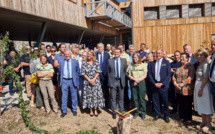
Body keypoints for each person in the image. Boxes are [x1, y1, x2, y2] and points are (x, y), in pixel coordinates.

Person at [148, 49, 171, 123]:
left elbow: (168, 74)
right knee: (156, 100)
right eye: (156, 53)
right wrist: (154, 83)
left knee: (165, 101)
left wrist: (162, 83)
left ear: (162, 54)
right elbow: (150, 74)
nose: (158, 55)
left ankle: (166, 115)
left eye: (159, 53)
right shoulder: (152, 63)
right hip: (154, 85)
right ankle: (158, 113)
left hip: (163, 86)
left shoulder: (166, 62)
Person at [193, 48, 214, 131]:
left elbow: (205, 78)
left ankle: (208, 123)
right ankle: (203, 121)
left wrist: (201, 89)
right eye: (198, 55)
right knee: (201, 104)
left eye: (201, 55)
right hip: (198, 85)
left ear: (205, 55)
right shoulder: (199, 64)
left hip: (204, 86)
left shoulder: (205, 64)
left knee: (206, 105)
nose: (199, 56)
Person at [172, 52, 195, 125]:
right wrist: (175, 84)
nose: (181, 58)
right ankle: (182, 117)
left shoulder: (190, 66)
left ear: (187, 58)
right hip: (178, 89)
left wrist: (181, 84)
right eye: (181, 57)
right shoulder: (178, 66)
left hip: (187, 89)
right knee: (180, 104)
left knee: (187, 105)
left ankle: (188, 119)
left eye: (183, 57)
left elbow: (190, 77)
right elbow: (174, 76)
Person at [81, 50, 105, 117]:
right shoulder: (84, 63)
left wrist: (93, 79)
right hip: (87, 82)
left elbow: (98, 71)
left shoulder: (96, 62)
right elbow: (83, 73)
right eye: (88, 54)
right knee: (89, 96)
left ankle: (95, 110)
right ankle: (91, 110)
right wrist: (89, 80)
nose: (88, 55)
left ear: (93, 56)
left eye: (90, 54)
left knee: (95, 96)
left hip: (95, 81)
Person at [59, 50, 80, 118]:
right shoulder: (61, 62)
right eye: (65, 54)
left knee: (74, 96)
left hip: (72, 80)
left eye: (68, 54)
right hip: (64, 80)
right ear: (64, 55)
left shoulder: (75, 61)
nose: (67, 55)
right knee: (64, 96)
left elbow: (78, 71)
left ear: (70, 54)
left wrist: (75, 78)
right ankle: (64, 111)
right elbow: (60, 72)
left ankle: (74, 110)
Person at [107, 48, 127, 119]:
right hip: (113, 81)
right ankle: (114, 111)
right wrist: (109, 82)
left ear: (120, 53)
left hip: (121, 81)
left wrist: (123, 79)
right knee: (113, 97)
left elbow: (124, 71)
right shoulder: (110, 61)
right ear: (113, 53)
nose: (116, 53)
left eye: (118, 52)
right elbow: (108, 72)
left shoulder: (124, 60)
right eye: (115, 52)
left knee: (121, 97)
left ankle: (121, 111)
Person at [128, 52, 147, 120]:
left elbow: (145, 75)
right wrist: (134, 80)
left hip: (141, 82)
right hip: (133, 82)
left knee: (142, 98)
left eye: (136, 57)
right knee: (135, 99)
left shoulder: (143, 65)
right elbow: (129, 75)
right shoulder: (131, 66)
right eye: (133, 57)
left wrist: (138, 80)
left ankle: (143, 113)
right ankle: (136, 112)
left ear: (139, 58)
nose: (134, 58)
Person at [96, 43, 110, 108]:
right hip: (98, 74)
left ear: (103, 47)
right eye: (98, 47)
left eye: (101, 47)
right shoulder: (95, 55)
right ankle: (100, 103)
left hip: (105, 75)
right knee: (99, 90)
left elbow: (109, 64)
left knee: (106, 89)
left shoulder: (107, 55)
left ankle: (107, 103)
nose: (100, 48)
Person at [210, 39, 215, 112]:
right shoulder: (213, 55)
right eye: (212, 44)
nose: (213, 46)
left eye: (214, 44)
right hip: (213, 84)